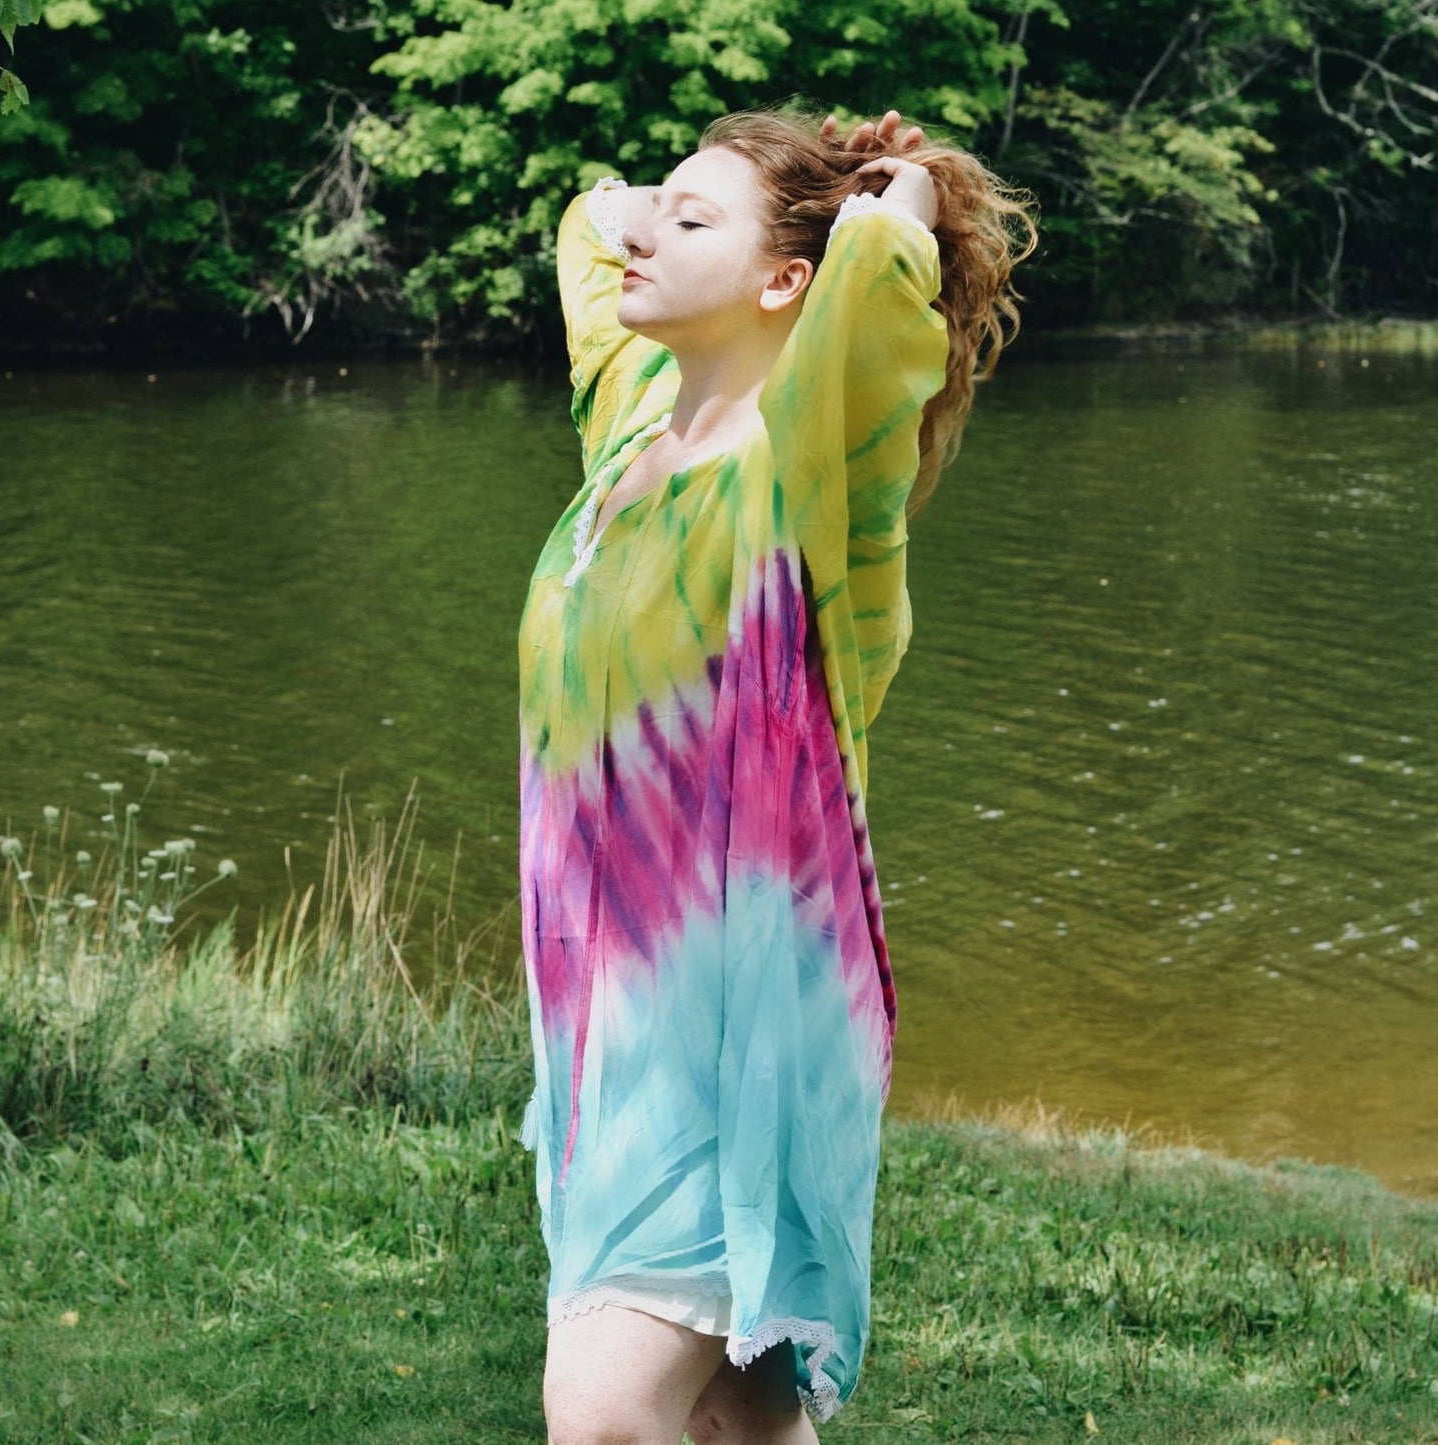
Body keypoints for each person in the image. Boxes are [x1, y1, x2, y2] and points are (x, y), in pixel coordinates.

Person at [516, 107, 1036, 1444]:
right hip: (614, 1014)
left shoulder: (811, 461)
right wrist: (681, 207)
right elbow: (591, 217)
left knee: (602, 1405)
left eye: (699, 226)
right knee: (742, 1413)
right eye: (667, 213)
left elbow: (869, 284)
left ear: (782, 283)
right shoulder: (633, 425)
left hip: (742, 1021)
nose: (650, 236)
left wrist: (903, 186)